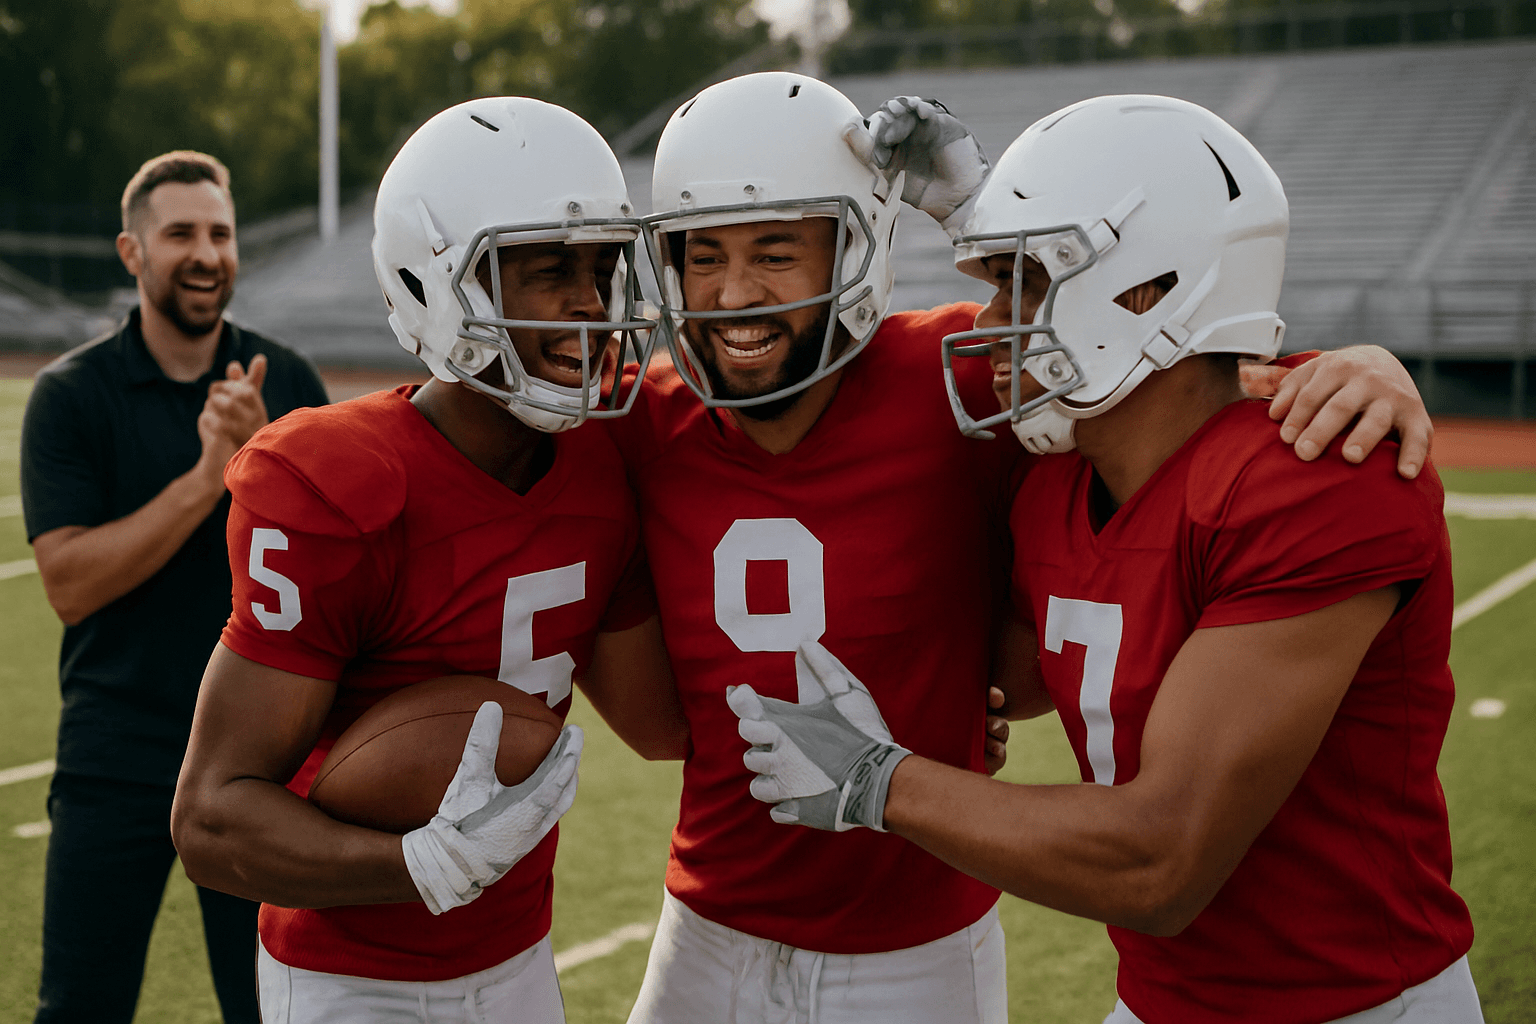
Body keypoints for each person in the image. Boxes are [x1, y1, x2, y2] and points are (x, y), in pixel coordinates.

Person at [615, 72, 1438, 1023]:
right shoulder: (646, 421)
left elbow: (1178, 377)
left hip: (952, 940)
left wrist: (1345, 372)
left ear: (856, 245)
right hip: (715, 924)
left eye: (774, 250)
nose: (730, 292)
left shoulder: (970, 395)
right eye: (699, 255)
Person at [170, 97, 685, 1023]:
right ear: (437, 284)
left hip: (519, 957)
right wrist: (416, 865)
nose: (589, 305)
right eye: (545, 271)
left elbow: (662, 725)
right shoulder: (336, 482)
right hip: (349, 980)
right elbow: (211, 819)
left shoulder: (606, 456)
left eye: (602, 267)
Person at [19, 150, 328, 1024]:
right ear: (132, 252)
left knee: (268, 1006)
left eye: (221, 233)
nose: (205, 253)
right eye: (180, 233)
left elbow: (334, 579)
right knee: (81, 1004)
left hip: (258, 758)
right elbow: (71, 585)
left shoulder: (289, 382)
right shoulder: (72, 395)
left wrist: (274, 463)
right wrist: (213, 475)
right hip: (113, 752)